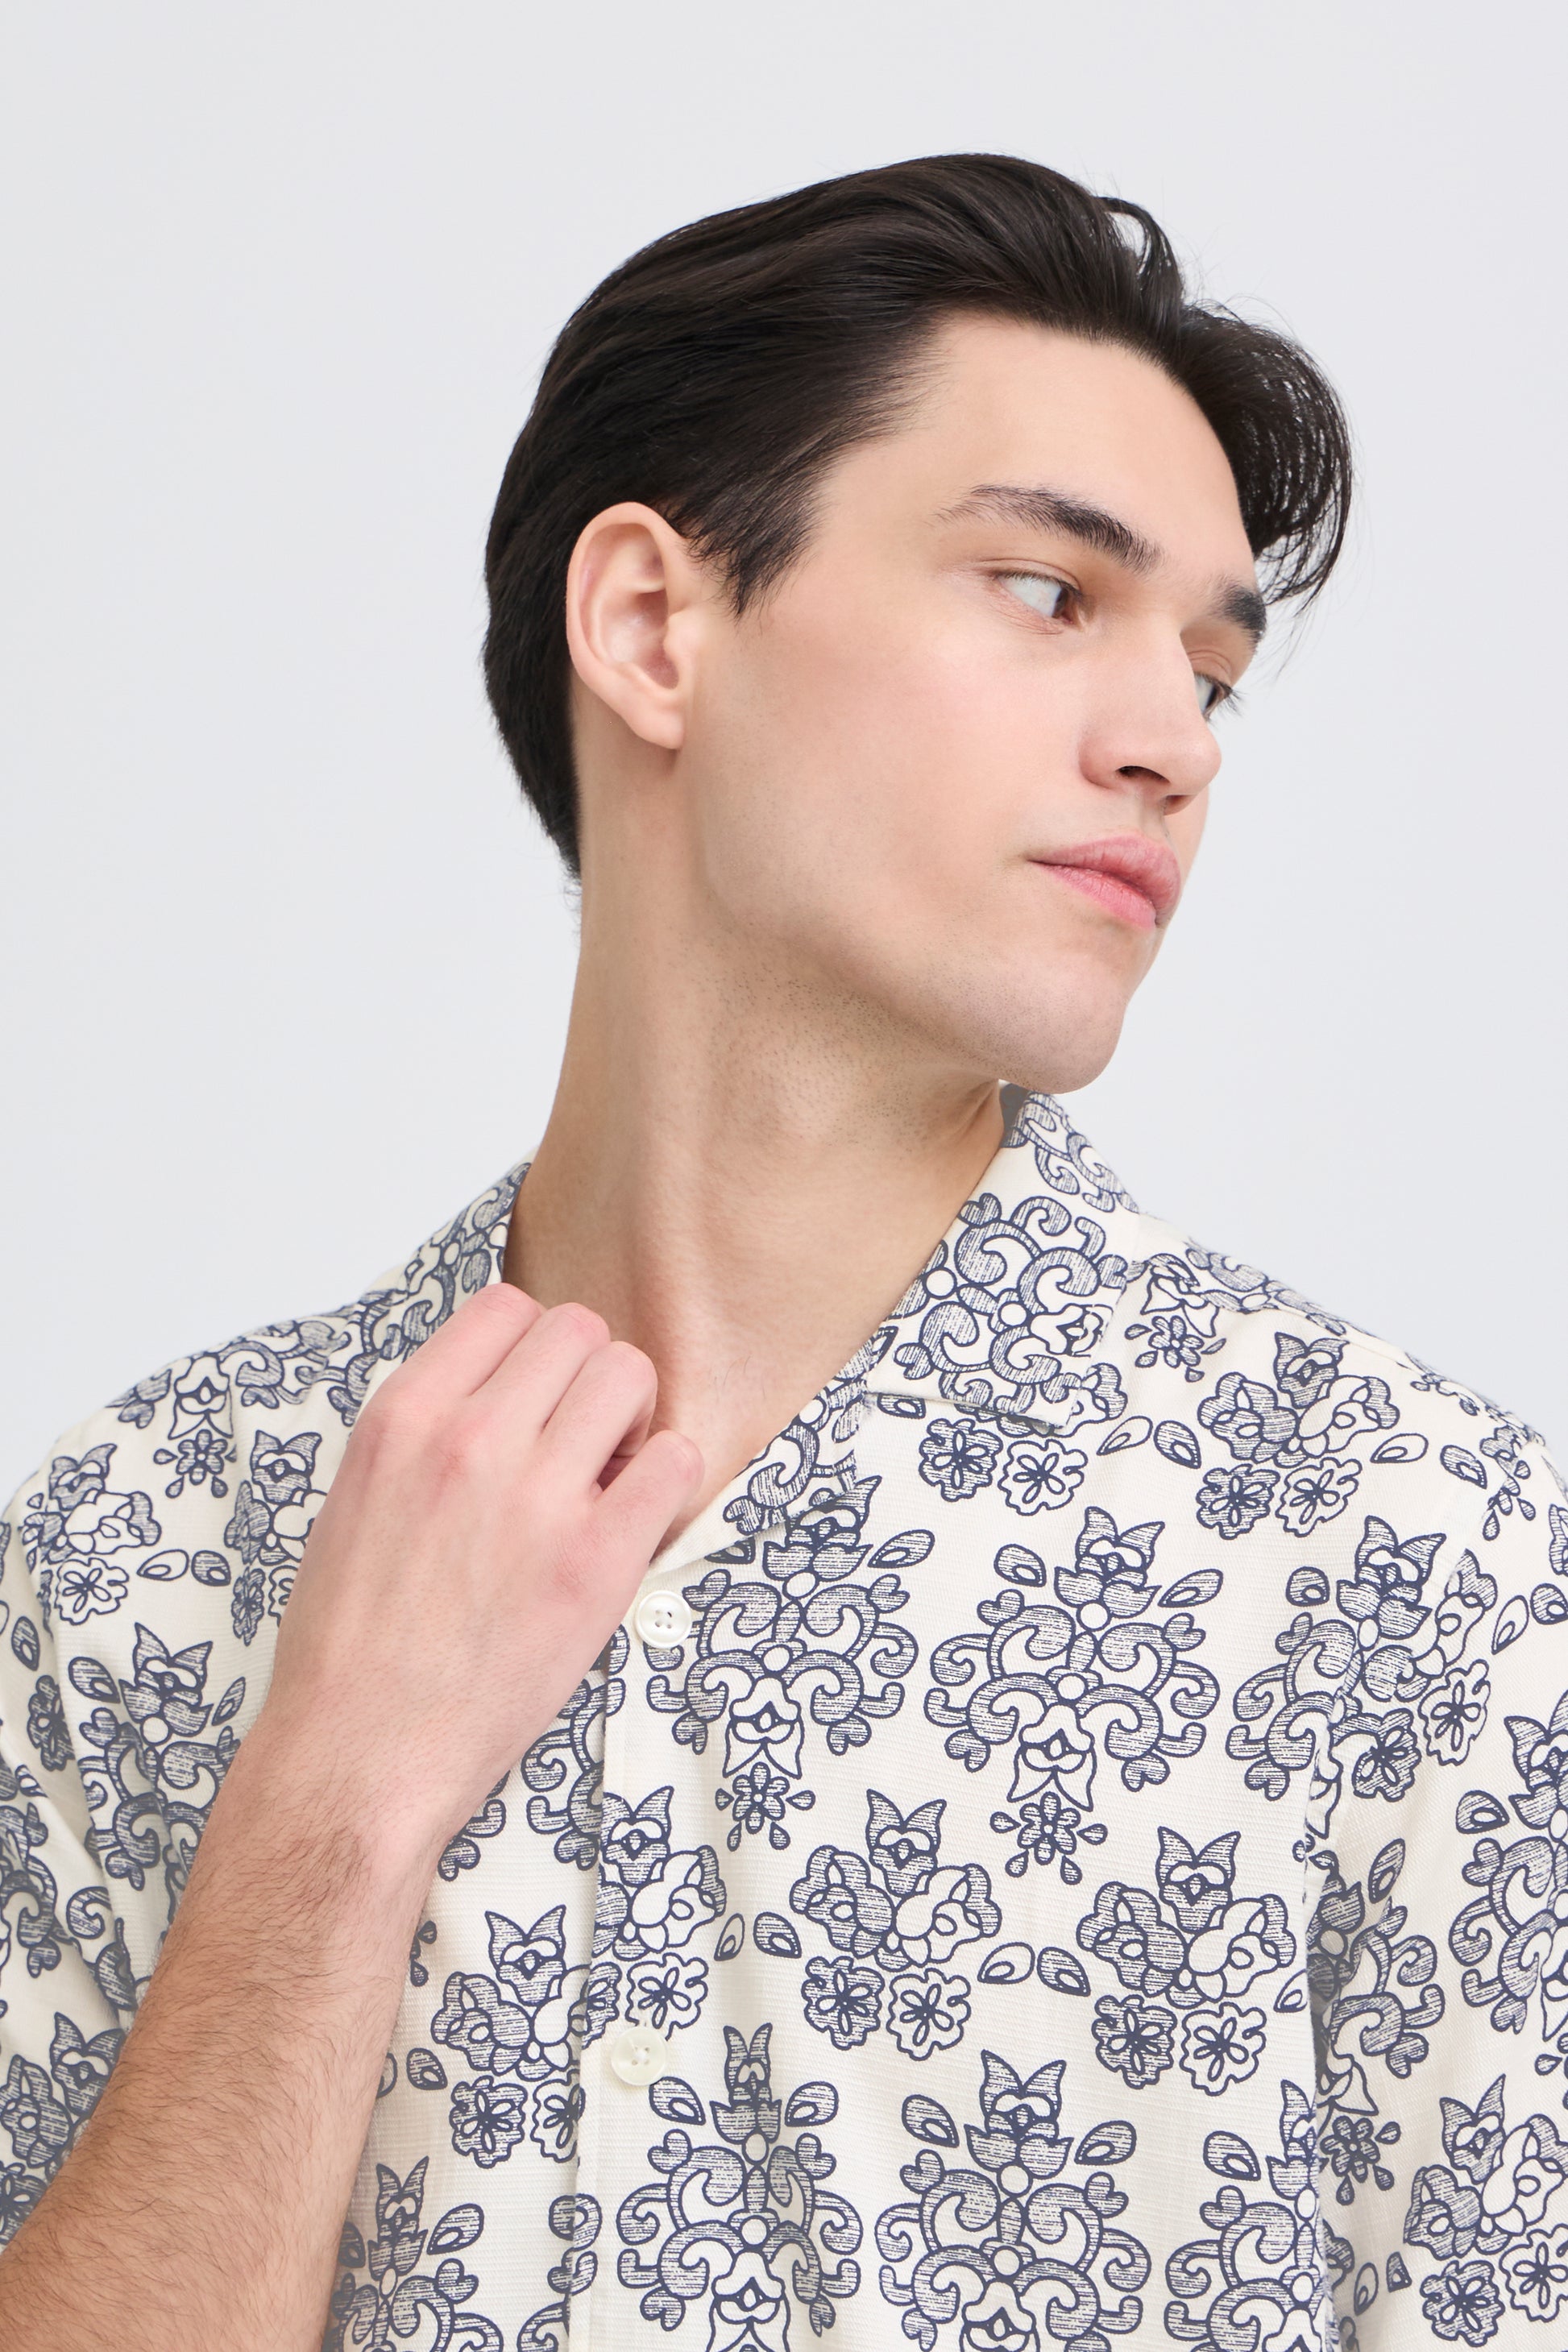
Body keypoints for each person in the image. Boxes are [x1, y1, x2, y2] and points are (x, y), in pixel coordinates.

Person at [0, 152, 1560, 2352]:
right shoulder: (145, 1548)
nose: (1167, 745)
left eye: (1210, 671)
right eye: (1045, 594)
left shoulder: (1406, 1567)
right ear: (655, 625)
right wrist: (329, 1817)